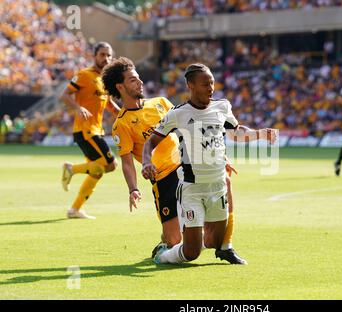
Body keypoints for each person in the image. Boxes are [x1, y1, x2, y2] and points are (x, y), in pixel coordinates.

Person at [102, 58, 247, 264]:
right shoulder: (122, 124)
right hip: (163, 179)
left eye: (139, 78)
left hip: (186, 167)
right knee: (174, 240)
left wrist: (220, 157)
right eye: (133, 80)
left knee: (225, 182)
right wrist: (133, 188)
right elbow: (126, 161)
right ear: (120, 86)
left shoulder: (160, 103)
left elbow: (192, 127)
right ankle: (167, 243)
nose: (140, 82)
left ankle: (226, 246)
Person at [142, 63, 276, 264]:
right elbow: (151, 142)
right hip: (192, 189)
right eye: (205, 84)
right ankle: (164, 256)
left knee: (214, 241)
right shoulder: (178, 114)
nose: (211, 88)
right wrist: (146, 162)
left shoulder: (222, 106)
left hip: (218, 186)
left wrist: (259, 134)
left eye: (212, 83)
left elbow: (236, 131)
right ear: (191, 85)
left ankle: (220, 248)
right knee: (191, 253)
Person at [60, 42, 120, 219]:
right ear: (94, 56)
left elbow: (108, 104)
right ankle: (71, 169)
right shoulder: (84, 75)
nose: (106, 59)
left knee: (97, 171)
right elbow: (64, 95)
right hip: (85, 130)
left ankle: (75, 210)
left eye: (109, 55)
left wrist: (122, 114)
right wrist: (77, 108)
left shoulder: (106, 80)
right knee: (111, 165)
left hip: (96, 130)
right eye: (102, 55)